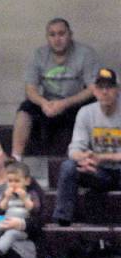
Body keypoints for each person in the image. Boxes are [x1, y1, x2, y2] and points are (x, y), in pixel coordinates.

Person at [11, 18, 99, 160]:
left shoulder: (86, 54)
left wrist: (65, 103)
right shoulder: (38, 55)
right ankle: (15, 157)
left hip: (75, 104)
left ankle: (90, 157)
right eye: (52, 35)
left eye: (61, 34)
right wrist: (43, 103)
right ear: (47, 37)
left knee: (94, 104)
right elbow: (30, 89)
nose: (57, 39)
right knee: (24, 109)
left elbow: (92, 88)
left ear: (70, 35)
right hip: (48, 104)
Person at [52, 68, 121, 226]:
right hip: (100, 172)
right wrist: (83, 159)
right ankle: (62, 220)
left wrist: (103, 157)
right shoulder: (86, 112)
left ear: (117, 90)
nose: (105, 92)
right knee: (69, 166)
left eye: (109, 87)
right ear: (94, 91)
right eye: (100, 87)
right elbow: (74, 149)